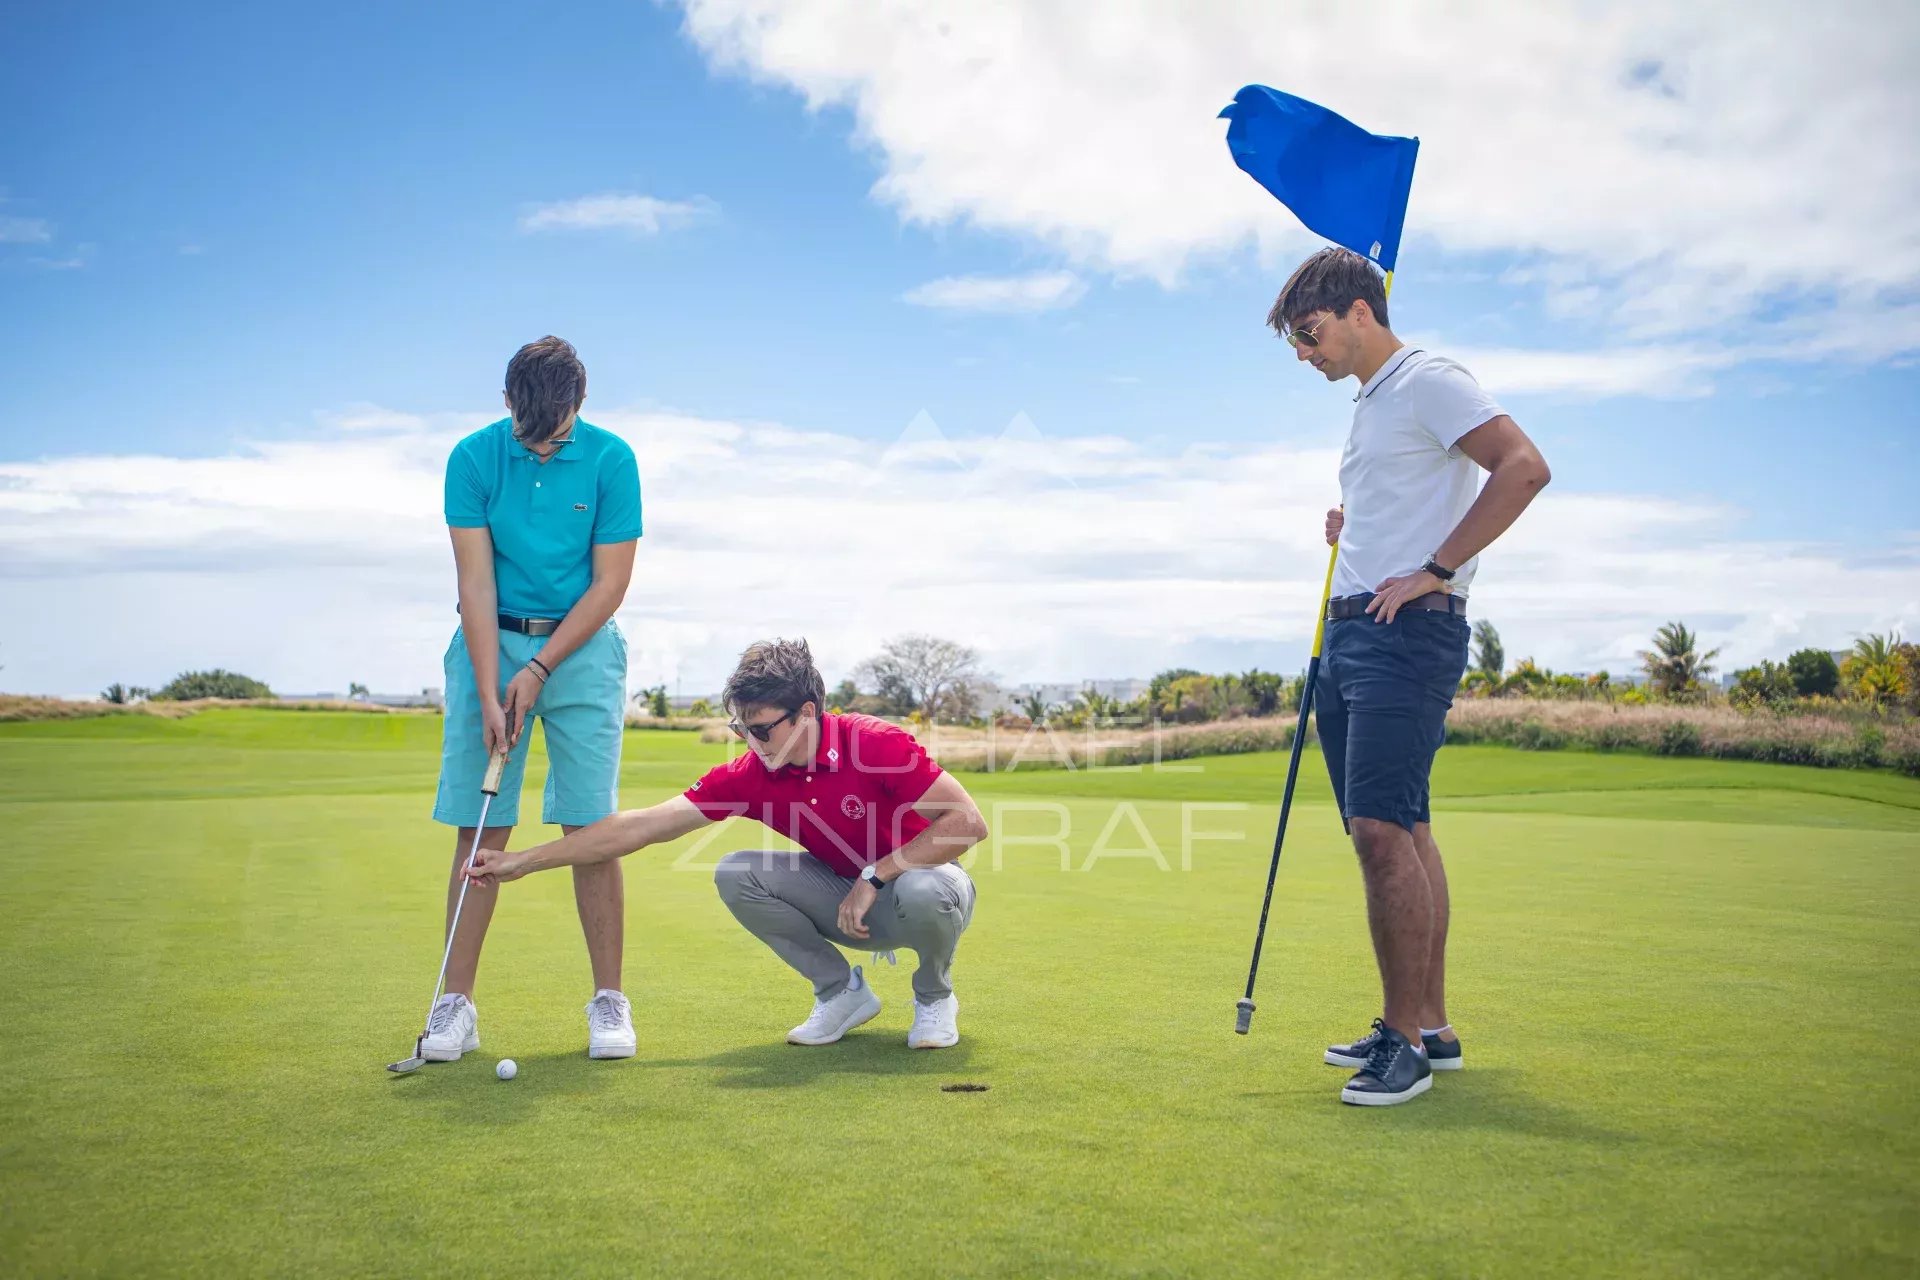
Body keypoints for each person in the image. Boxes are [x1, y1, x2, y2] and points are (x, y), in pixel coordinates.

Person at [1268, 248, 1551, 1106]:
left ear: (1360, 311)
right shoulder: (1372, 404)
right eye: (1295, 345)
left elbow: (1523, 467)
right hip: (1354, 633)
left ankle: (1403, 1045)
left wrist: (1435, 566)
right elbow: (1413, 492)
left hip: (1405, 634)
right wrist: (1357, 526)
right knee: (1403, 828)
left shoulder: (1428, 377)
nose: (1305, 355)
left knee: (1381, 832)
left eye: (1310, 336)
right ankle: (1428, 1025)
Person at [466, 638, 986, 1050]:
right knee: (737, 872)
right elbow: (641, 826)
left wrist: (877, 874)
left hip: (916, 891)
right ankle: (841, 994)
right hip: (843, 897)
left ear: (807, 712)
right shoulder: (748, 774)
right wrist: (526, 860)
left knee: (924, 889)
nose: (751, 743)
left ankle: (934, 996)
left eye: (761, 729)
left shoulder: (874, 742)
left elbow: (967, 822)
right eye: (741, 729)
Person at [420, 335, 643, 1063]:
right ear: (509, 404)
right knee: (480, 827)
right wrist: (488, 689)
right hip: (491, 640)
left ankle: (609, 1001)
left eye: (556, 437)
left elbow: (609, 584)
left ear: (578, 407)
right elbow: (475, 584)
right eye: (530, 434)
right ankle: (454, 1006)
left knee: (591, 826)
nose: (543, 450)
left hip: (580, 649)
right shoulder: (473, 458)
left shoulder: (612, 459)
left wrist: (540, 668)